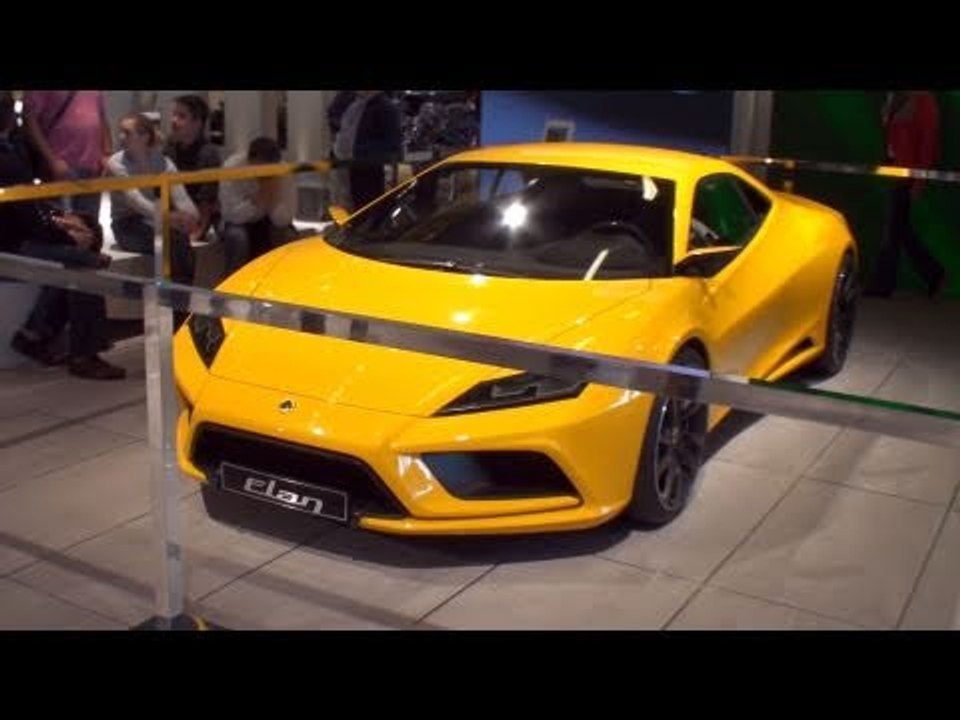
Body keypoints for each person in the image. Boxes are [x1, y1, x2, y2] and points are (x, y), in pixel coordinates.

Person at [0, 91, 125, 380]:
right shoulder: (8, 158)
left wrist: (62, 223)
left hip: (18, 233)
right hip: (13, 242)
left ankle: (37, 333)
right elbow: (26, 218)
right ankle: (84, 352)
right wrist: (67, 235)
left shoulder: (12, 152)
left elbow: (28, 209)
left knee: (86, 242)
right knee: (85, 261)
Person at [106, 112, 199, 287]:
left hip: (152, 219)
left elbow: (180, 195)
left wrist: (191, 216)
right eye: (120, 131)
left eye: (126, 132)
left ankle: (181, 304)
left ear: (144, 136)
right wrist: (169, 218)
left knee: (180, 242)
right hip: (126, 224)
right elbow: (135, 200)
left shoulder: (161, 161)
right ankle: (179, 304)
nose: (120, 137)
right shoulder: (116, 163)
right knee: (172, 243)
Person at [867, 90, 946, 298]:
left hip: (909, 173)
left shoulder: (924, 99)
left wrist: (919, 180)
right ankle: (934, 274)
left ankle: (882, 286)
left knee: (893, 231)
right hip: (894, 171)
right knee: (900, 230)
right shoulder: (893, 97)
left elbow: (928, 142)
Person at [21, 90, 113, 219]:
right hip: (60, 166)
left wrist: (107, 153)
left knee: (89, 223)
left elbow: (102, 118)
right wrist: (51, 159)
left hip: (92, 165)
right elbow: (29, 121)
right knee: (61, 222)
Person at [219, 136, 297, 274]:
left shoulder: (282, 171)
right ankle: (232, 287)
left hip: (269, 219)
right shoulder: (231, 168)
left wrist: (272, 200)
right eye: (261, 170)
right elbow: (230, 214)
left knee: (288, 236)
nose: (265, 176)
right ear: (250, 161)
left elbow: (286, 219)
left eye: (269, 171)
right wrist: (258, 200)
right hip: (239, 222)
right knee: (237, 238)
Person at [164, 94, 222, 242]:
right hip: (174, 216)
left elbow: (207, 199)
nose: (174, 121)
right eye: (174, 115)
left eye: (181, 116)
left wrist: (197, 232)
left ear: (197, 123)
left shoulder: (209, 154)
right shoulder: (168, 149)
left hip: (195, 219)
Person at [332, 91, 402, 210]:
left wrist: (362, 152)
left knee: (368, 207)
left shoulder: (385, 107)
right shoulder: (353, 102)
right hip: (349, 164)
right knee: (352, 203)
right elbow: (337, 120)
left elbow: (392, 143)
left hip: (369, 167)